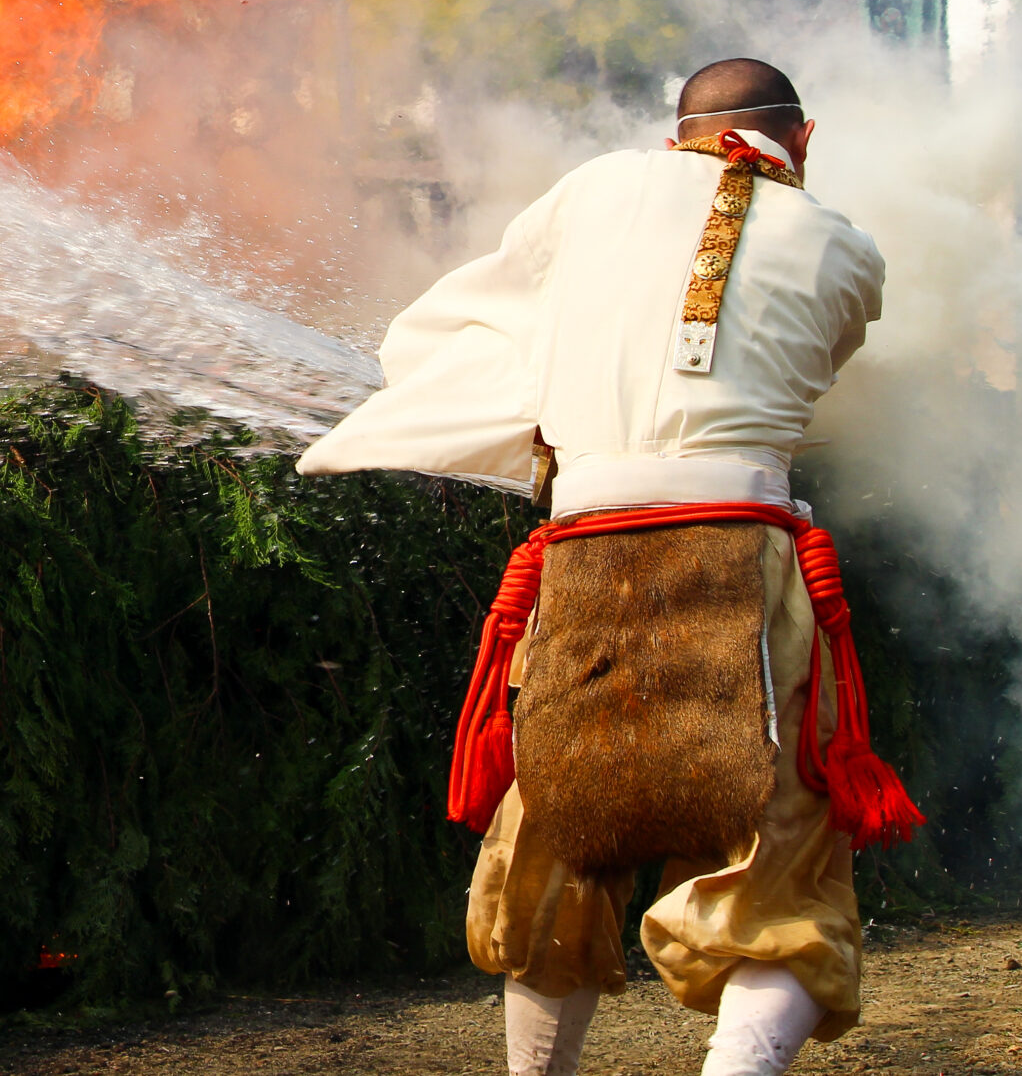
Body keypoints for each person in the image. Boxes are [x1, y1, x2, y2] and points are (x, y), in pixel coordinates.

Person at [298, 58, 914, 1076]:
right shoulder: (845, 248)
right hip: (744, 558)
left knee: (550, 862)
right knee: (785, 875)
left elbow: (464, 324)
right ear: (803, 141)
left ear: (674, 135)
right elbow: (801, 370)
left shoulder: (590, 191)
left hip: (584, 559)